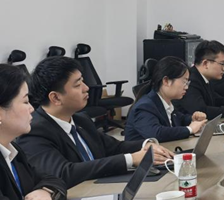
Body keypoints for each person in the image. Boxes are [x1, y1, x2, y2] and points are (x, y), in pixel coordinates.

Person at [18, 57, 173, 189]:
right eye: (77, 85)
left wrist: (146, 145)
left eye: (83, 81)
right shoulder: (34, 131)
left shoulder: (81, 119)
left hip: (101, 188)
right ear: (56, 98)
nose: (86, 88)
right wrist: (131, 159)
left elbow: (114, 147)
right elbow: (64, 173)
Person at [0, 64, 67, 200]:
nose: (32, 109)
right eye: (25, 101)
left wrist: (44, 191)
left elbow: (52, 179)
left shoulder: (12, 150)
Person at [125, 57, 208, 143]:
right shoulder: (145, 106)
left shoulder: (166, 102)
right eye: (184, 82)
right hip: (143, 151)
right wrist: (190, 129)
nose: (186, 87)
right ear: (166, 81)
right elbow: (156, 133)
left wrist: (193, 119)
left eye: (187, 83)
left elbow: (180, 119)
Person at [174, 40, 224, 120]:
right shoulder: (191, 80)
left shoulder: (204, 78)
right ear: (205, 63)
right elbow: (202, 111)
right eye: (222, 64)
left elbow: (218, 99)